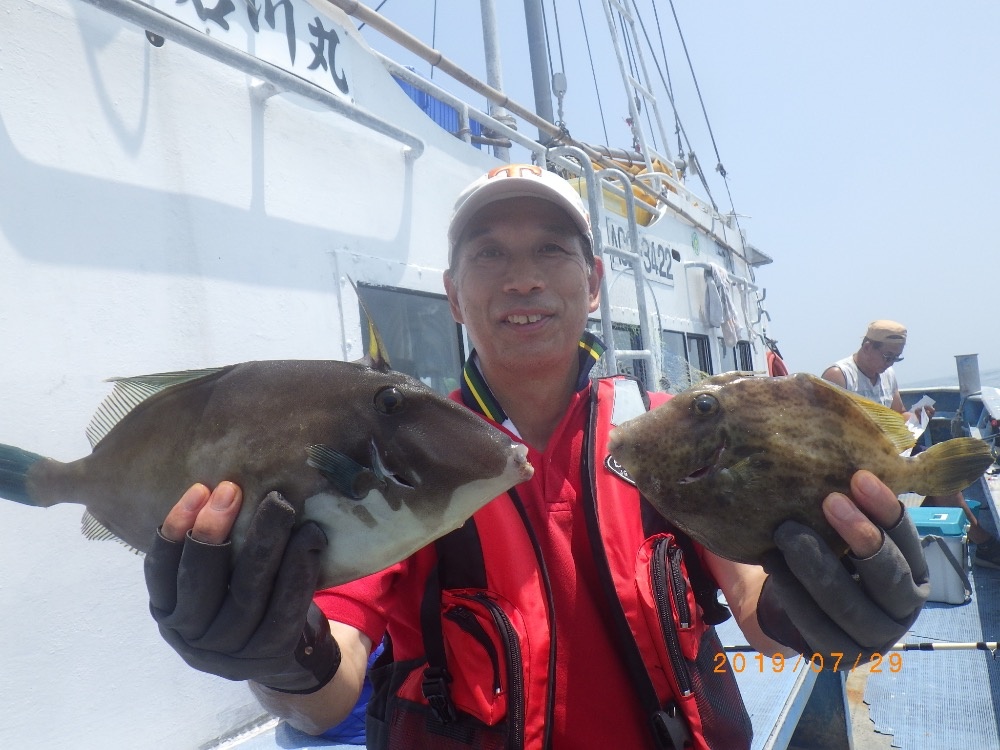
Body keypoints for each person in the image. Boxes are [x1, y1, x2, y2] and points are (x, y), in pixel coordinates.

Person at [144, 165, 929, 750]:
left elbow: (758, 608)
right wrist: (279, 655)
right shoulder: (403, 461)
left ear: (591, 284)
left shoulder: (667, 438)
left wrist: (826, 606)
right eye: (487, 255)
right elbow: (332, 686)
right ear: (453, 294)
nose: (521, 278)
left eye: (550, 250)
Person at [822, 320, 1000, 568]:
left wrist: (916, 415)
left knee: (939, 466)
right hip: (857, 461)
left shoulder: (888, 375)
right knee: (928, 477)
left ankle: (965, 536)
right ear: (866, 346)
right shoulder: (839, 376)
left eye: (897, 358)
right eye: (887, 356)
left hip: (890, 451)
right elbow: (827, 433)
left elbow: (898, 414)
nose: (890, 363)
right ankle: (977, 539)